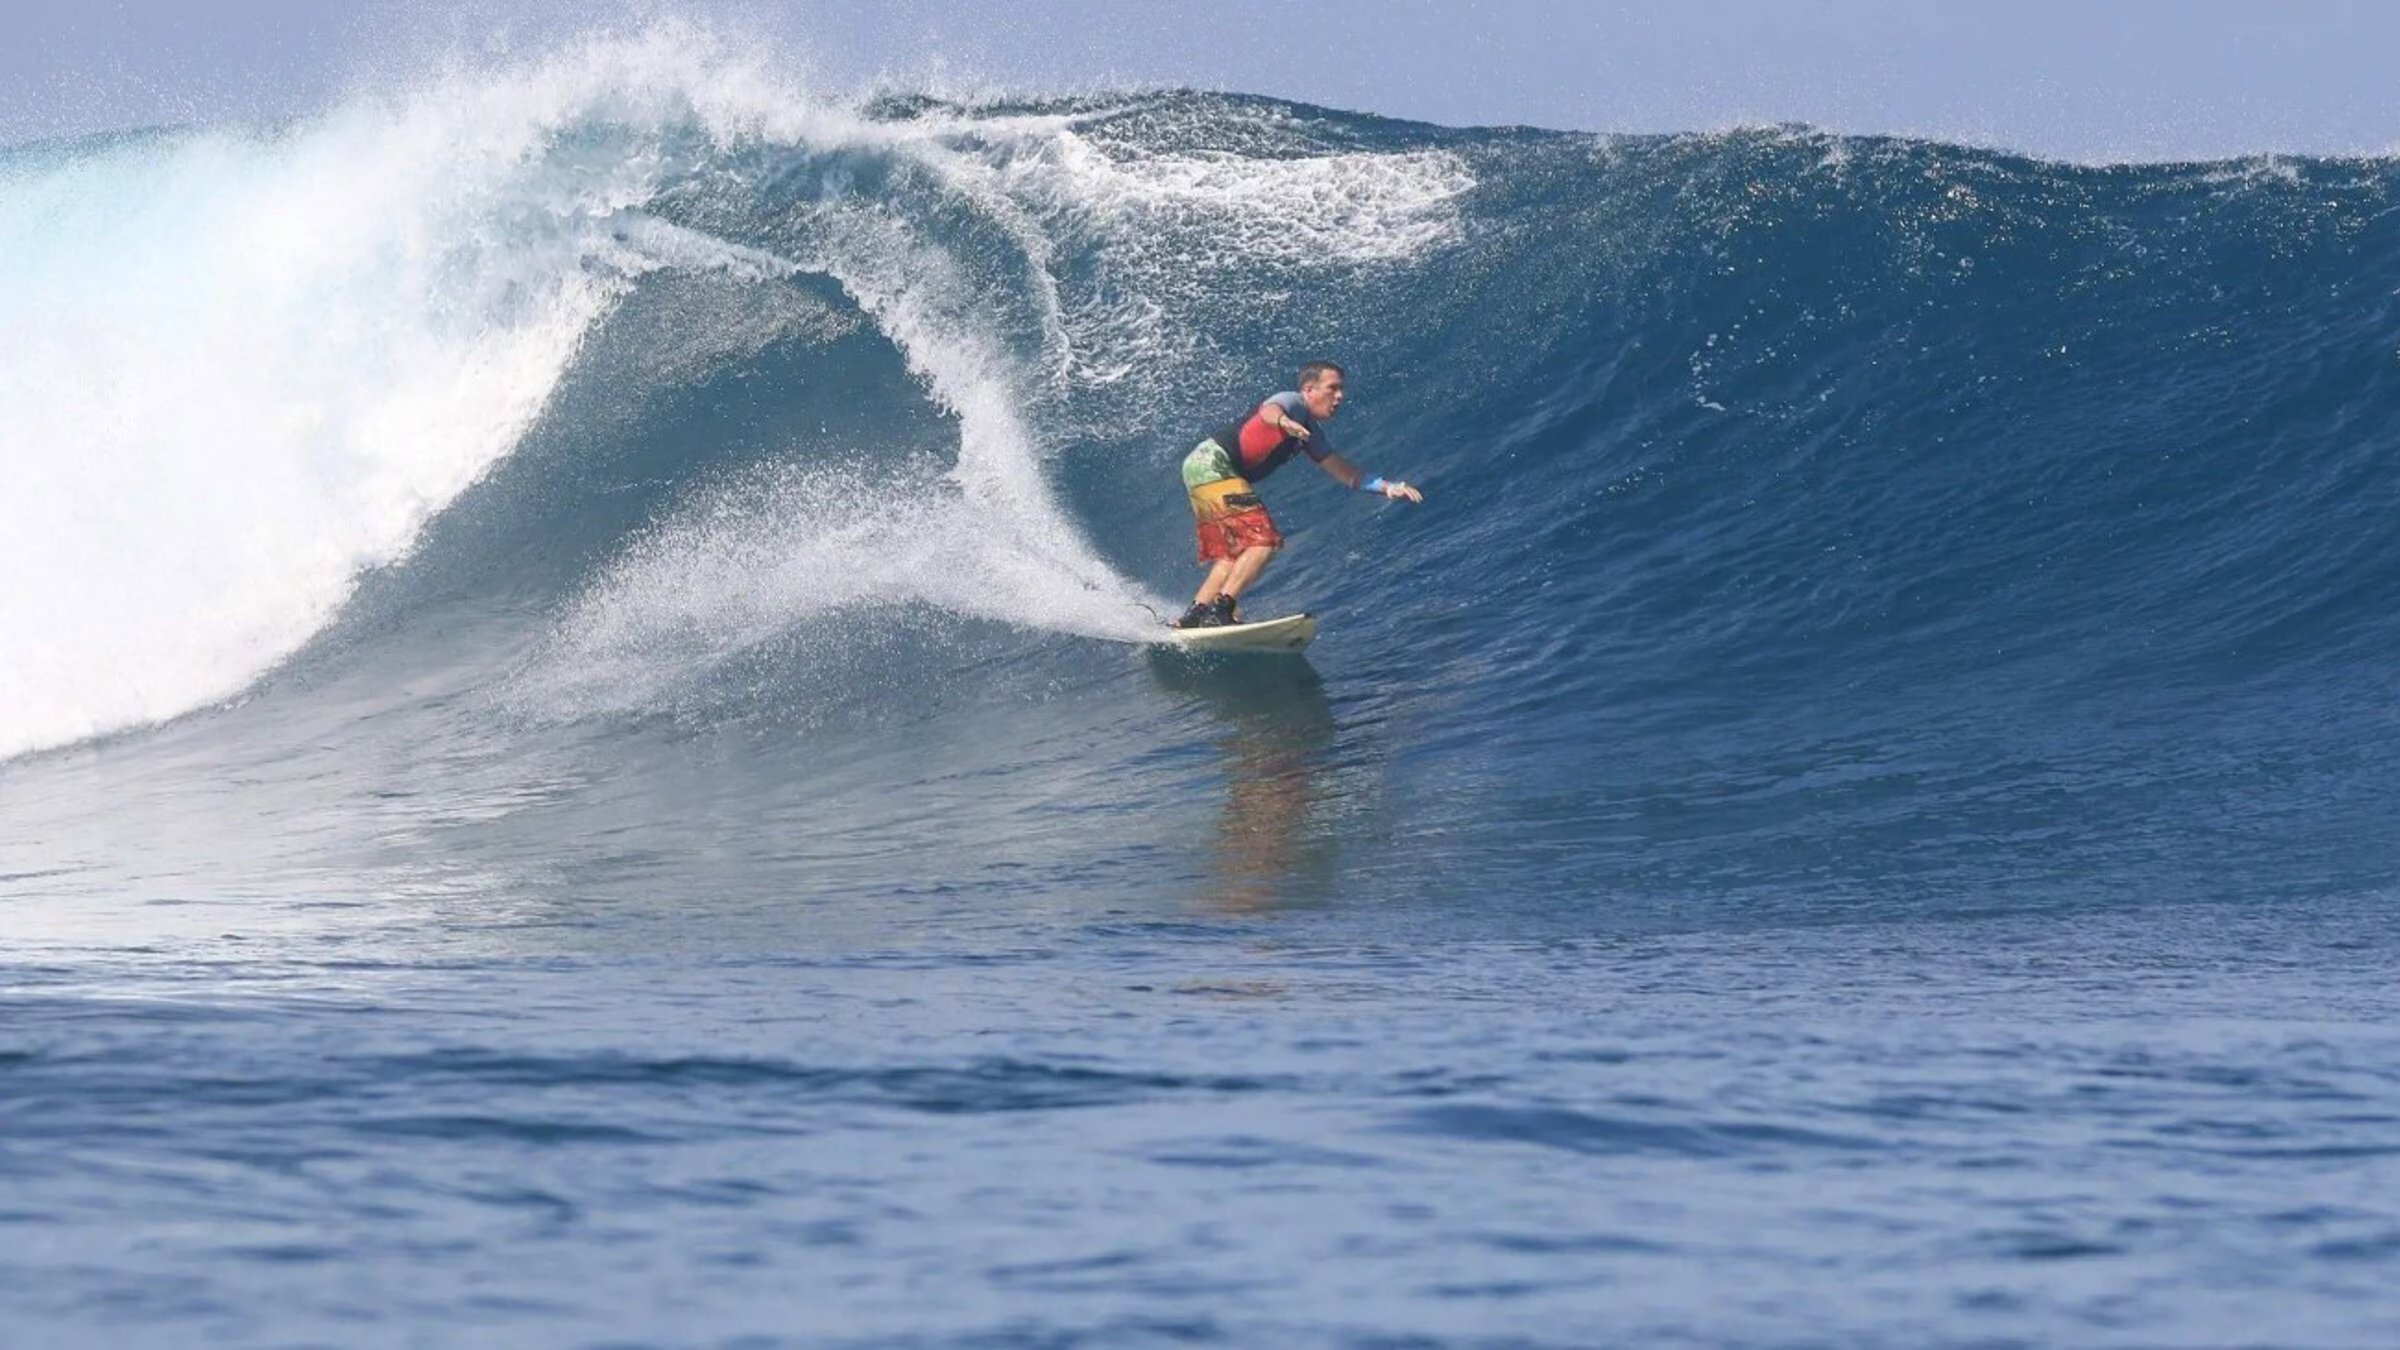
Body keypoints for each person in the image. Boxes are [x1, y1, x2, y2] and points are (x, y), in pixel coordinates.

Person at [1172, 361, 1423, 628]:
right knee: (1264, 542)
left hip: (1200, 467)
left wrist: (1388, 487)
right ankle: (1220, 611)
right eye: (1333, 388)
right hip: (1215, 464)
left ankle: (1193, 616)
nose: (1340, 396)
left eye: (1342, 389)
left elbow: (1346, 473)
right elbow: (1269, 410)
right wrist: (1283, 422)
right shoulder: (1293, 403)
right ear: (1309, 389)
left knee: (1234, 553)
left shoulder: (1310, 434)